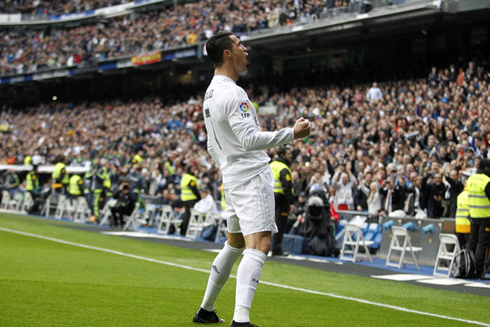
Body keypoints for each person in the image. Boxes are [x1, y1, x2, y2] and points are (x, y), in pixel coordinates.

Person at [193, 31, 311, 327]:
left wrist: (227, 166)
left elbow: (211, 144)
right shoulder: (233, 92)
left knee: (233, 244)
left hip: (232, 178)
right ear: (228, 54)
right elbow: (247, 139)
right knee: (259, 245)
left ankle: (206, 310)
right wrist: (291, 134)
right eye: (240, 46)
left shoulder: (210, 94)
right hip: (250, 177)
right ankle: (241, 320)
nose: (246, 50)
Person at [466, 159, 490, 279]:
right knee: (482, 244)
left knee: (472, 242)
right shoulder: (486, 180)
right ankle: (479, 270)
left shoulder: (471, 179)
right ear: (486, 168)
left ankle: (468, 267)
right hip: (485, 216)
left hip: (473, 215)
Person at [270, 146, 295, 256]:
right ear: (282, 155)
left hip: (268, 197)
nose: (291, 156)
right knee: (279, 225)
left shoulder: (270, 165)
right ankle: (276, 249)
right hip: (281, 199)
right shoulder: (283, 168)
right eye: (289, 154)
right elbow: (287, 186)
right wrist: (291, 202)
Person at [455, 169, 475, 249]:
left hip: (458, 226)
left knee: (461, 249)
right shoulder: (472, 195)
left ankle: (462, 262)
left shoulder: (460, 195)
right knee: (470, 250)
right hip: (468, 226)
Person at [180, 165, 202, 236]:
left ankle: (182, 230)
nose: (194, 170)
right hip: (191, 199)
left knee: (186, 215)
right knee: (189, 216)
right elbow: (194, 189)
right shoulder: (190, 178)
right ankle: (185, 230)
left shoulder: (185, 177)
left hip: (185, 198)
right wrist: (199, 197)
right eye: (193, 168)